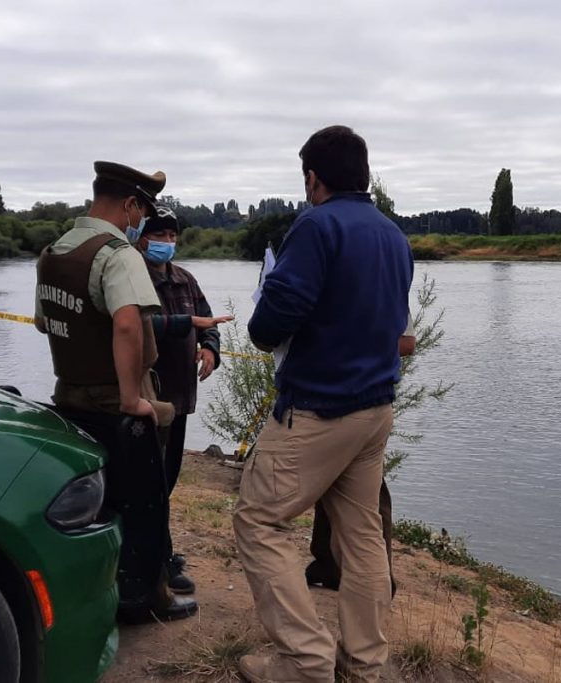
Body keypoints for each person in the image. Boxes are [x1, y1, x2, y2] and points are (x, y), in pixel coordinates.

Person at [233, 126, 413, 683]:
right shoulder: (392, 235)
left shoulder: (316, 226)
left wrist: (272, 305)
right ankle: (365, 665)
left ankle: (304, 661)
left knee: (260, 520)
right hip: (375, 410)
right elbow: (397, 327)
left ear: (314, 177)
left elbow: (267, 328)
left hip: (318, 410)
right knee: (360, 537)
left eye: (305, 177)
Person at [34, 160, 197, 623]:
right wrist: (132, 398)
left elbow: (46, 322)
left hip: (70, 395)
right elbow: (127, 323)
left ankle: (93, 590)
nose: (141, 221)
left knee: (94, 502)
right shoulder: (117, 253)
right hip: (117, 400)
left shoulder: (53, 252)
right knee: (144, 502)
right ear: (129, 204)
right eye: (141, 211)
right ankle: (144, 599)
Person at [136, 204, 232, 594]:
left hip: (180, 399)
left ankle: (158, 553)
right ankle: (157, 561)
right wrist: (187, 325)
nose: (168, 243)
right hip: (146, 398)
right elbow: (135, 325)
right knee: (149, 483)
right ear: (143, 239)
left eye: (173, 236)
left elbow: (208, 321)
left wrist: (210, 348)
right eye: (160, 235)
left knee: (168, 479)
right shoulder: (133, 279)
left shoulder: (185, 280)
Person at [304, 318, 415, 597]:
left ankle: (379, 580)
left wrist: (348, 349)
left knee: (371, 494)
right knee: (329, 484)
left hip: (358, 399)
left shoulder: (384, 283)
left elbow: (407, 343)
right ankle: (328, 562)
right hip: (328, 397)